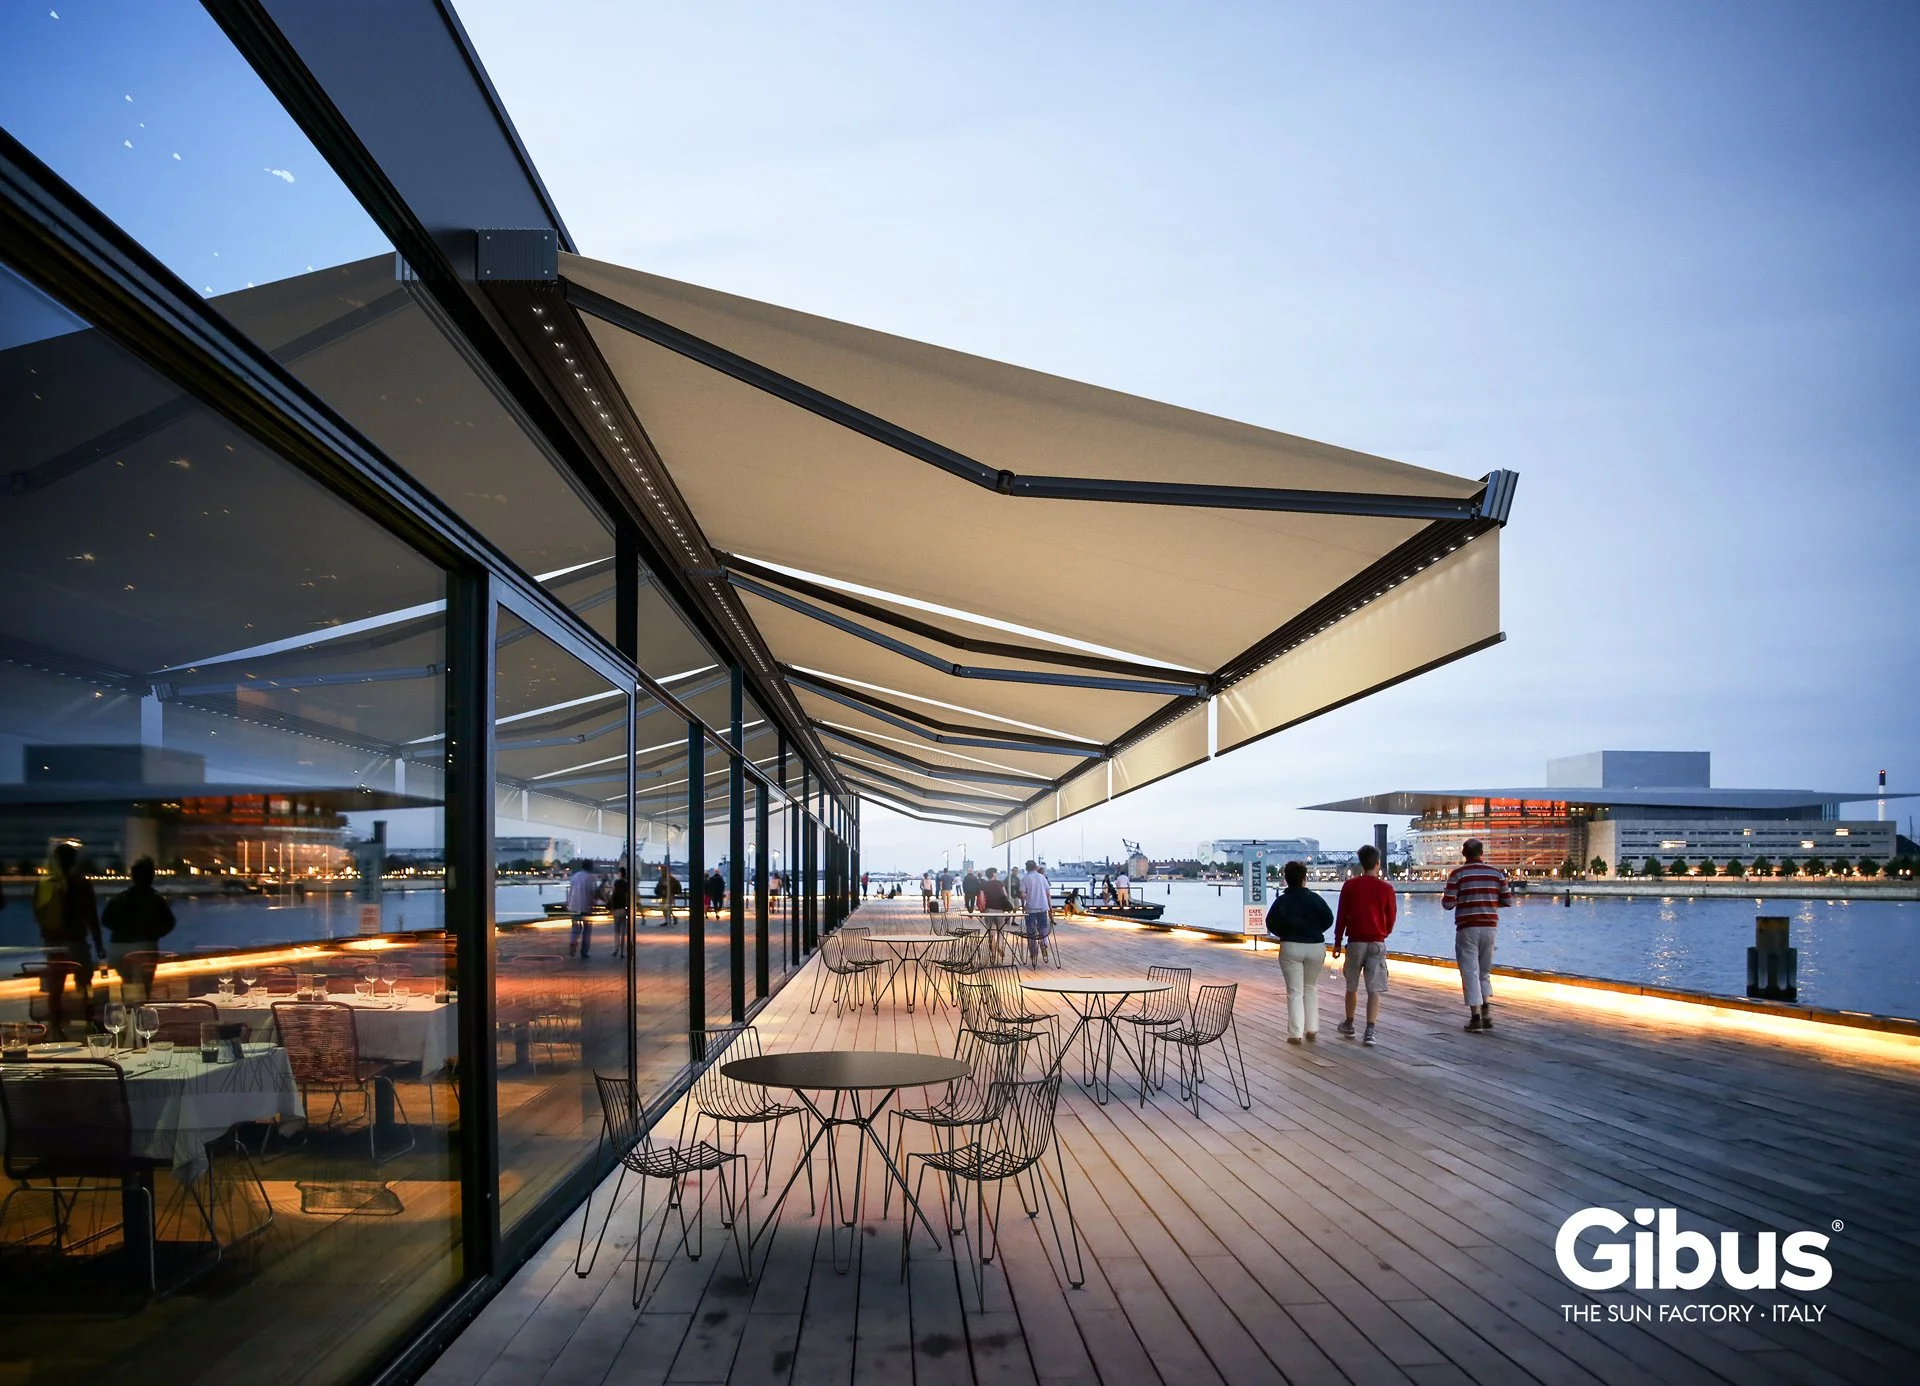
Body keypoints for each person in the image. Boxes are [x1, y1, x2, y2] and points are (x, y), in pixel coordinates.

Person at [1442, 838, 1513, 1031]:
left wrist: (1463, 901)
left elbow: (1447, 904)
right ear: (1482, 853)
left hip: (1467, 928)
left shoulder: (1457, 875)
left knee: (1469, 972)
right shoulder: (1496, 874)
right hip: (1490, 928)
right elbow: (1507, 901)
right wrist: (1488, 903)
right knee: (1484, 971)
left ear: (1464, 854)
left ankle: (1475, 1018)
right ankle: (1486, 1009)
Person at [33, 842, 101, 1038]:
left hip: (52, 943)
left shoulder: (45, 884)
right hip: (76, 941)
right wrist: (98, 943)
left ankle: (55, 1028)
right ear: (73, 861)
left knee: (55, 989)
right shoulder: (81, 884)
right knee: (84, 985)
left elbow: (38, 913)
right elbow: (92, 915)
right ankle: (88, 1023)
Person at [1332, 843, 1396, 1046]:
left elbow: (1341, 916)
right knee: (1374, 989)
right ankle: (1370, 1030)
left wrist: (1337, 942)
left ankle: (1349, 1024)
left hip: (1355, 941)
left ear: (1361, 864)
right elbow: (1391, 917)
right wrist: (1383, 932)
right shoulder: (1387, 888)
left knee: (1351, 986)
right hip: (1377, 941)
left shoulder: (1350, 886)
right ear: (1377, 864)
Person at [1266, 860, 1331, 1044]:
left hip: (1291, 946)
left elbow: (1270, 923)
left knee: (1294, 991)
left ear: (1286, 879)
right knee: (1310, 987)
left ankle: (1295, 1033)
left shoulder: (1282, 901)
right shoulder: (1315, 899)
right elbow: (1328, 918)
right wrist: (1316, 931)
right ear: (1304, 878)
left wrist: (1285, 933)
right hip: (1315, 946)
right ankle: (1312, 1028)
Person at [101, 855, 175, 999]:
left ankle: (128, 1013)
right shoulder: (155, 899)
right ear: (151, 876)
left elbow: (105, 920)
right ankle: (138, 1014)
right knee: (143, 988)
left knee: (128, 983)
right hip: (144, 946)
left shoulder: (119, 898)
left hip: (117, 947)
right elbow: (169, 922)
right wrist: (154, 934)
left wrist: (123, 929)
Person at [1018, 859, 1052, 965]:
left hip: (1030, 908)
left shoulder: (1025, 879)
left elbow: (1022, 894)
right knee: (1043, 928)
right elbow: (1048, 893)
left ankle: (1033, 952)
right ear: (1035, 867)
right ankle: (1044, 942)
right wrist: (1050, 907)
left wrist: (1023, 904)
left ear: (1027, 868)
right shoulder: (1042, 877)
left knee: (1031, 931)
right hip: (1043, 907)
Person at [566, 859, 599, 958]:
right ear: (590, 867)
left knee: (575, 927)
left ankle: (573, 942)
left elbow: (571, 891)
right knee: (587, 929)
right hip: (586, 906)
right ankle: (584, 951)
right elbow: (594, 892)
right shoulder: (591, 877)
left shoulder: (575, 876)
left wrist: (568, 904)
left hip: (573, 906)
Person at [607, 865, 631, 958]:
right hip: (624, 909)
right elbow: (627, 896)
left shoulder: (617, 883)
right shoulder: (626, 884)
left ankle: (615, 949)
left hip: (616, 909)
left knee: (616, 931)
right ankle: (622, 951)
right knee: (623, 931)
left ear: (620, 874)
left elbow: (613, 895)